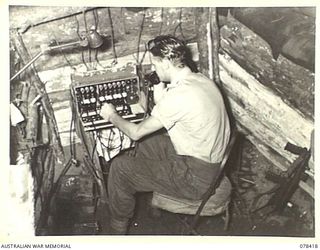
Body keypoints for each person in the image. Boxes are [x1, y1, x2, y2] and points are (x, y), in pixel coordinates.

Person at [100, 35, 231, 234]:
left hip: (195, 178)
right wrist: (159, 85)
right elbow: (168, 109)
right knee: (147, 143)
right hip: (208, 162)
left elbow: (135, 133)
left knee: (120, 168)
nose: (154, 69)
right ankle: (150, 194)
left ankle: (118, 228)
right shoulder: (200, 80)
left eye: (155, 64)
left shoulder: (179, 97)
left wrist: (112, 116)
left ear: (167, 63)